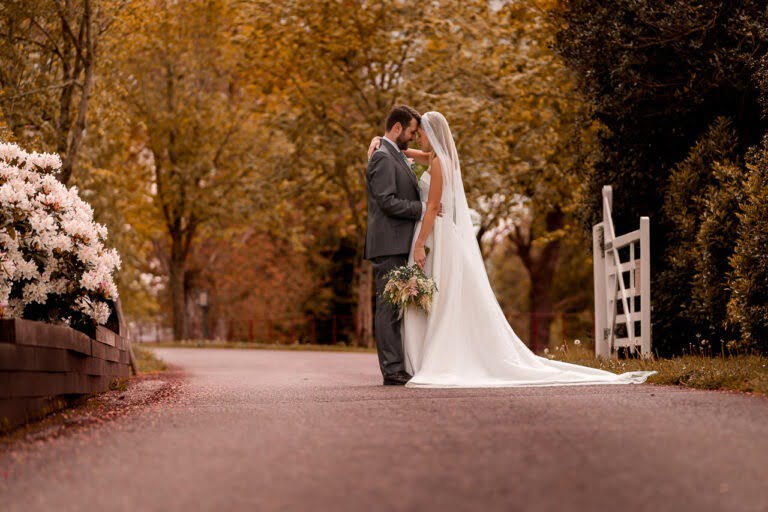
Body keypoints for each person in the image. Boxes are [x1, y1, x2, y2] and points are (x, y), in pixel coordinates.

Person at [368, 111, 656, 387]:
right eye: (413, 133)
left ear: (431, 134)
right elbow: (407, 154)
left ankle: (433, 354)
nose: (416, 139)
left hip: (433, 234)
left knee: (437, 296)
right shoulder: (438, 157)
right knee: (435, 297)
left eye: (420, 134)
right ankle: (423, 354)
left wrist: (419, 244)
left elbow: (432, 207)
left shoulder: (439, 163)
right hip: (436, 234)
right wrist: (382, 142)